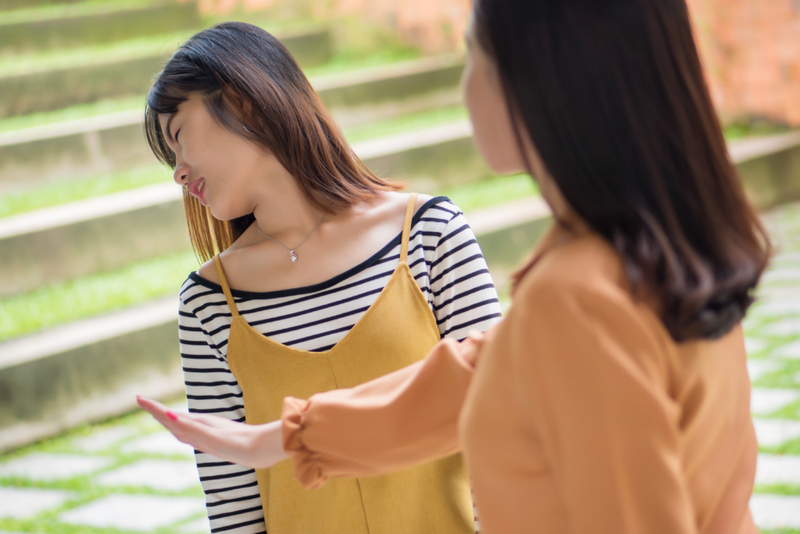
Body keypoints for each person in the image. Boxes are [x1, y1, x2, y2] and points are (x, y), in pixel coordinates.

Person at [139, 1, 772, 533]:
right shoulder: (658, 253)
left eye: (477, 55)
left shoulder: (573, 294)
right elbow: (477, 373)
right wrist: (289, 437)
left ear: (548, 80)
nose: (465, 83)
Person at [140, 21, 502, 534]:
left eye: (179, 138)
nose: (178, 171)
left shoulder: (429, 232)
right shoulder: (208, 302)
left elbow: (500, 419)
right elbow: (234, 507)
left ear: (242, 99)